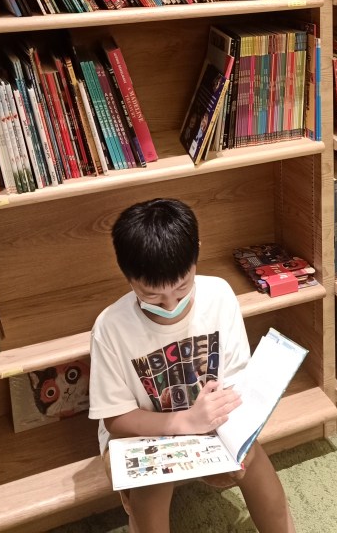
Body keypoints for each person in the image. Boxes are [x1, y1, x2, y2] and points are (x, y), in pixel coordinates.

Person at [89, 198, 298, 533]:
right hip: (144, 432)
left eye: (182, 287)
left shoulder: (219, 295)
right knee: (150, 488)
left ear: (196, 254)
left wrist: (220, 424)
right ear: (127, 276)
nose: (170, 303)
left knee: (251, 461)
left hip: (212, 421)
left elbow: (235, 383)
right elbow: (116, 420)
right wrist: (186, 421)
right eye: (151, 295)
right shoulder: (110, 327)